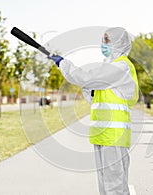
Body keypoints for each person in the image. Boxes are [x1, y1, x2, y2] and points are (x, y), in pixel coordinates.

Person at [48, 27, 138, 195]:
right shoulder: (109, 68)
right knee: (106, 184)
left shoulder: (121, 67)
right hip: (102, 135)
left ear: (119, 43)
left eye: (107, 40)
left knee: (115, 186)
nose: (103, 43)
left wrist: (64, 64)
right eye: (103, 39)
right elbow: (90, 89)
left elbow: (88, 78)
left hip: (114, 136)